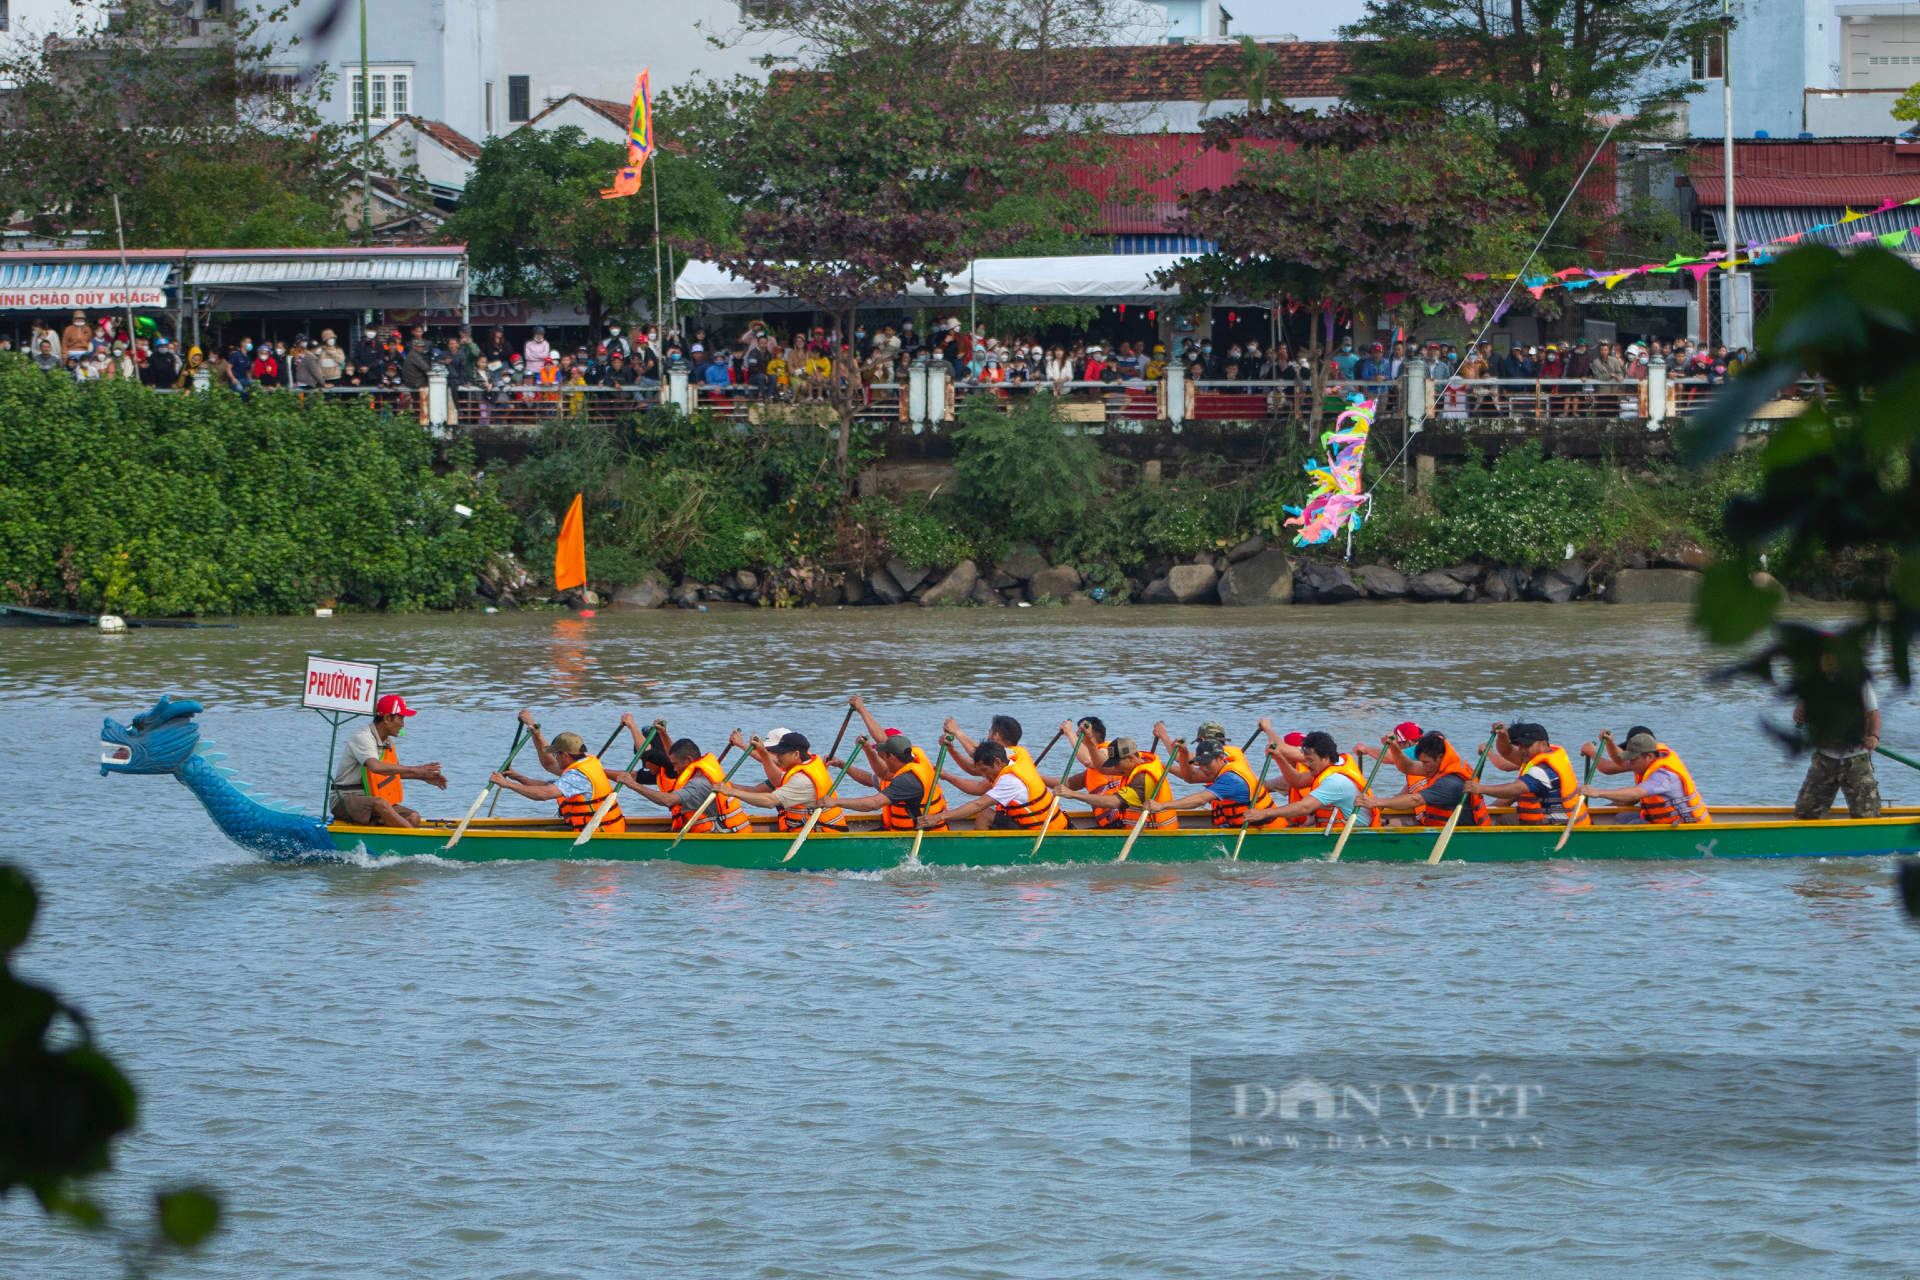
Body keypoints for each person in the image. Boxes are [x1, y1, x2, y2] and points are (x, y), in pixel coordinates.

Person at [490, 714, 627, 833]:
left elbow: (544, 794)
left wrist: (507, 784)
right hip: (595, 828)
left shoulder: (577, 776)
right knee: (548, 829)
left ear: (566, 755)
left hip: (599, 834)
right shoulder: (587, 762)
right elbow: (548, 769)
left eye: (557, 754)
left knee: (546, 833)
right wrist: (517, 776)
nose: (555, 757)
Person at [329, 694, 447, 828]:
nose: (403, 724)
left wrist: (422, 776)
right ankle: (415, 838)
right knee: (381, 804)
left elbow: (394, 771)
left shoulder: (388, 741)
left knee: (413, 817)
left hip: (370, 800)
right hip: (344, 800)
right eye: (400, 718)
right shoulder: (363, 737)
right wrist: (416, 769)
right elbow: (375, 766)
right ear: (386, 718)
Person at [610, 732, 752, 834]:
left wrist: (633, 785)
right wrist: (663, 732)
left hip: (724, 835)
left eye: (675, 764)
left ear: (689, 760)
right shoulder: (699, 772)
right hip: (724, 830)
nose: (674, 769)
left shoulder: (697, 783)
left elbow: (668, 800)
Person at [713, 731, 848, 832]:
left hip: (821, 836)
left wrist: (731, 792)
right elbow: (777, 779)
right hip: (814, 831)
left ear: (796, 754)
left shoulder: (802, 780)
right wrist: (762, 752)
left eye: (781, 753)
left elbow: (770, 801)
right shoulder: (810, 763)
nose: (777, 756)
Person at [1355, 730, 1491, 827]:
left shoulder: (1449, 783)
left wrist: (1375, 802)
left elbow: (1415, 800)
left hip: (1460, 832)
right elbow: (1409, 767)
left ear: (1439, 757)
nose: (1423, 767)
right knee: (1384, 822)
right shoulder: (1440, 766)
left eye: (1425, 762)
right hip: (1437, 824)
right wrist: (1394, 747)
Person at [920, 739, 1064, 831]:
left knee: (985, 815)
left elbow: (978, 805)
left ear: (997, 762)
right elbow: (978, 759)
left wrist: (939, 817)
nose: (983, 775)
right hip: (1051, 824)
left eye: (984, 771)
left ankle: (980, 856)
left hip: (1044, 832)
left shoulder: (1010, 780)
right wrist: (952, 749)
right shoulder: (1018, 753)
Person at [1241, 731, 1376, 828]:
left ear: (1326, 758)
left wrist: (1264, 813)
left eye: (1311, 761)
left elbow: (1305, 807)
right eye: (1305, 760)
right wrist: (1279, 758)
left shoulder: (1335, 781)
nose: (1307, 764)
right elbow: (1298, 781)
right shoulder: (1336, 761)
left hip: (1354, 831)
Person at [820, 732, 950, 832]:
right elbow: (881, 774)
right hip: (918, 831)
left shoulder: (906, 780)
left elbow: (875, 803)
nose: (883, 761)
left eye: (883, 757)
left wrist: (836, 802)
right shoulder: (918, 760)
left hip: (923, 836)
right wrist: (863, 753)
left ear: (892, 757)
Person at [1791, 682, 1882, 819]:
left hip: (1856, 759)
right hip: (1824, 757)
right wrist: (1800, 712)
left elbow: (1874, 715)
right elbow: (1801, 712)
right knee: (1805, 814)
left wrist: (1874, 736)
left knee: (1866, 815)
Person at [1577, 731, 1710, 825]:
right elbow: (1620, 762)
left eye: (1634, 758)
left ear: (1650, 756)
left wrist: (1598, 793)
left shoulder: (1663, 776)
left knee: (1630, 825)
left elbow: (1636, 793)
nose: (1631, 762)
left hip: (1685, 825)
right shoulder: (1646, 760)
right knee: (1621, 817)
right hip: (1664, 820)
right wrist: (1610, 743)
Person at [1468, 721, 1586, 826]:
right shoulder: (1548, 754)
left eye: (1527, 746)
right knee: (1505, 818)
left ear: (1543, 744)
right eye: (1521, 746)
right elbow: (1507, 751)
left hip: (1561, 828)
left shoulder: (1543, 770)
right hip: (1561, 820)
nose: (1523, 750)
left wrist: (1481, 789)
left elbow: (1516, 788)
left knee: (1504, 820)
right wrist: (1502, 735)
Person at [1144, 738, 1277, 829]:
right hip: (1243, 825)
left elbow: (1200, 799)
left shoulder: (1230, 779)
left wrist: (1162, 806)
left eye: (1207, 763)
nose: (1204, 769)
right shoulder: (1232, 754)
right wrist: (1184, 752)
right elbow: (1191, 777)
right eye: (1200, 764)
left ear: (1220, 758)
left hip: (1265, 829)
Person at [1054, 735, 1176, 830]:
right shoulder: (1142, 761)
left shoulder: (1143, 778)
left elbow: (1113, 802)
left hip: (1155, 837)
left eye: (1117, 764)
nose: (1115, 769)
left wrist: (1073, 794)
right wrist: (1090, 741)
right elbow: (1102, 769)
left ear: (1130, 758)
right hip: (1138, 831)